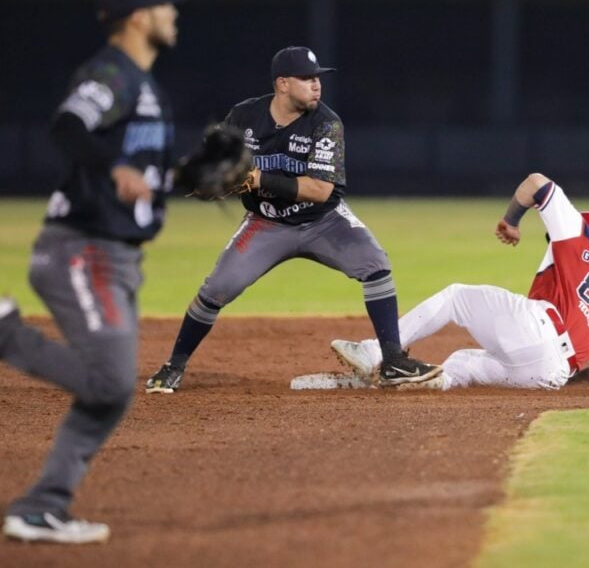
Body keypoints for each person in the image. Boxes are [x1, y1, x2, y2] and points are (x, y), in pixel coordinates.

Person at [0, 0, 194, 543]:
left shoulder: (147, 87)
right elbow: (69, 126)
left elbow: (143, 179)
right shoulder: (114, 73)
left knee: (111, 392)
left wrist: (191, 176)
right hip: (83, 250)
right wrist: (117, 167)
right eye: (165, 3)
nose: (174, 12)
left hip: (117, 256)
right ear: (137, 15)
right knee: (109, 384)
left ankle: (41, 507)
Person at [145, 46, 441, 393]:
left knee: (375, 263)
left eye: (318, 79)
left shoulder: (326, 123)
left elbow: (318, 189)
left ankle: (393, 361)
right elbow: (212, 160)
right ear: (282, 84)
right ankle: (174, 365)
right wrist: (205, 177)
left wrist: (257, 179)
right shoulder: (244, 116)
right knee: (216, 290)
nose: (317, 85)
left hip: (323, 221)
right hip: (266, 222)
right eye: (307, 79)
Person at [331, 173, 589, 390]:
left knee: (456, 297)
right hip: (550, 375)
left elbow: (536, 183)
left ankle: (377, 351)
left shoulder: (580, 235)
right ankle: (427, 382)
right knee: (464, 362)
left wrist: (512, 220)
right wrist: (577, 383)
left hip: (539, 327)